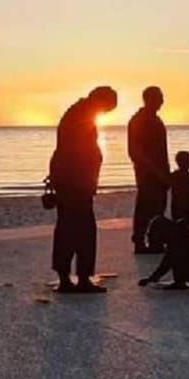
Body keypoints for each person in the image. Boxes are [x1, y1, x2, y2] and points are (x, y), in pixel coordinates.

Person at [49, 86, 118, 293]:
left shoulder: (79, 112)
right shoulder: (81, 115)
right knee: (80, 230)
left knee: (70, 229)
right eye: (107, 109)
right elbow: (79, 152)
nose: (106, 113)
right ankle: (77, 278)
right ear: (101, 101)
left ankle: (72, 276)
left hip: (72, 182)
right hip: (75, 183)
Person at [128, 86, 171, 254]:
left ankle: (156, 241)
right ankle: (139, 241)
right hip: (148, 174)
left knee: (158, 208)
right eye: (159, 97)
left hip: (159, 173)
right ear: (149, 99)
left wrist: (165, 173)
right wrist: (156, 172)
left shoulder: (155, 119)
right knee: (145, 208)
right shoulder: (139, 120)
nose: (162, 101)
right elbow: (135, 151)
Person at [137, 216, 189, 290]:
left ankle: (180, 282)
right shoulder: (176, 235)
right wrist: (152, 278)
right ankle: (180, 280)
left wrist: (152, 278)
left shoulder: (177, 240)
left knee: (177, 257)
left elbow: (166, 264)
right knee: (176, 256)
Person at [170, 150, 189, 231]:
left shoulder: (175, 175)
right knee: (184, 222)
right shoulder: (188, 176)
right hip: (182, 204)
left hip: (180, 204)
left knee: (181, 222)